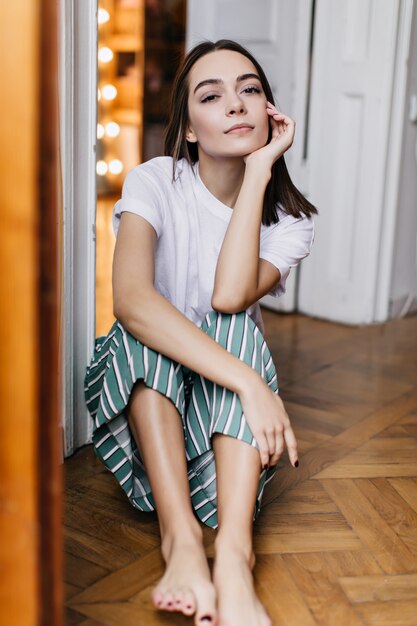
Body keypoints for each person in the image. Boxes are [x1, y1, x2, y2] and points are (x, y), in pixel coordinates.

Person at [85, 39, 317, 626]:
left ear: (270, 111)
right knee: (150, 323)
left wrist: (260, 170)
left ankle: (235, 558)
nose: (237, 105)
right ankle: (181, 541)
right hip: (150, 423)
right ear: (189, 127)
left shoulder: (289, 224)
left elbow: (227, 295)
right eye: (212, 96)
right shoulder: (155, 180)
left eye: (250, 90)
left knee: (230, 319)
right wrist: (252, 383)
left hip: (224, 446)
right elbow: (132, 301)